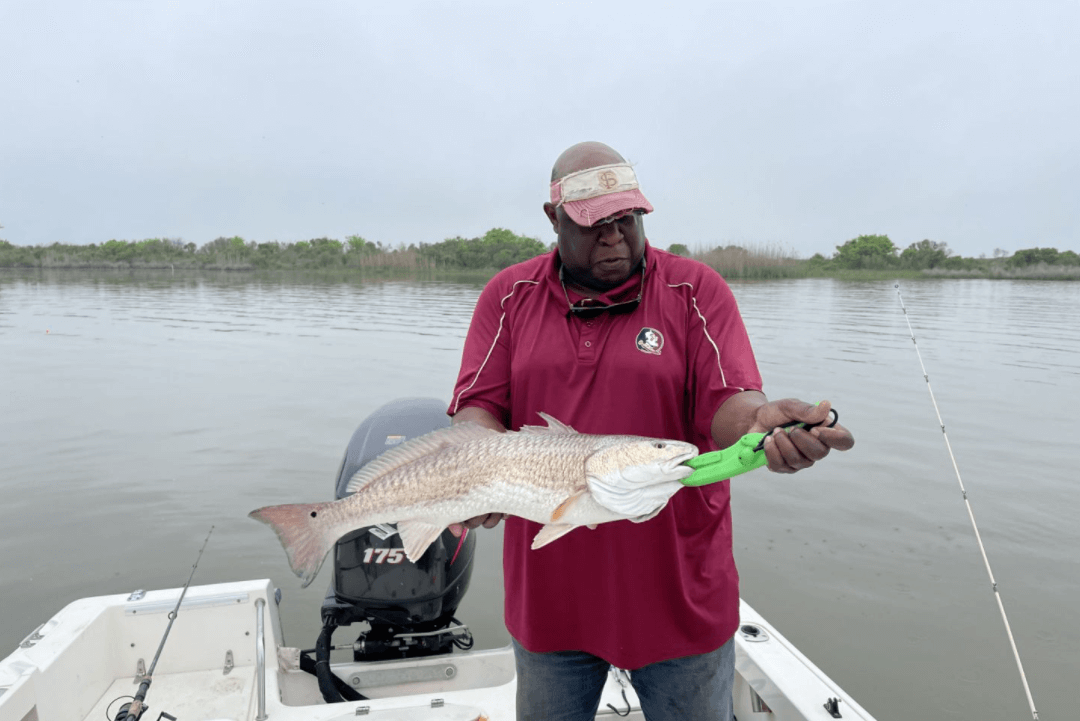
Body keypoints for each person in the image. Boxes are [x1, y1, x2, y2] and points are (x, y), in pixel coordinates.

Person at [447, 141, 854, 720]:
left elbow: (730, 401)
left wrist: (758, 426)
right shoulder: (509, 297)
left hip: (680, 595)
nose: (616, 237)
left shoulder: (695, 290)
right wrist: (472, 470)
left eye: (628, 219)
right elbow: (477, 409)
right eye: (594, 224)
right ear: (552, 217)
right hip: (550, 598)